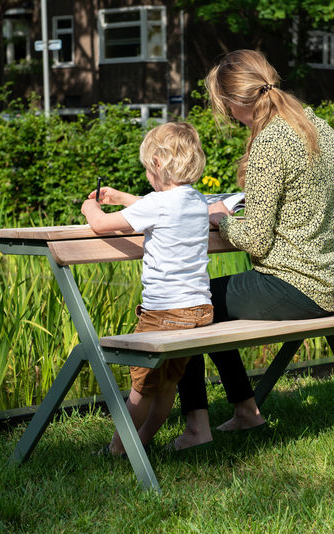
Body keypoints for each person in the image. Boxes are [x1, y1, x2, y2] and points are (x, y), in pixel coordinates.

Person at [171, 49, 334, 451]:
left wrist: (220, 217)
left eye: (222, 104)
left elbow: (256, 241)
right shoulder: (318, 126)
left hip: (292, 284)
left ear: (235, 102)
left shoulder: (270, 141)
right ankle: (245, 412)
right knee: (213, 302)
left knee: (186, 304)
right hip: (327, 283)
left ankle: (197, 428)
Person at [81, 122, 213, 457]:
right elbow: (162, 204)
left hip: (163, 315)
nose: (146, 176)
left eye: (146, 169)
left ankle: (116, 448)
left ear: (157, 163)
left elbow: (100, 226)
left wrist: (90, 207)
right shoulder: (196, 200)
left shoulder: (157, 204)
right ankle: (139, 442)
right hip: (198, 313)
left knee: (140, 389)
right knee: (167, 384)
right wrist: (123, 198)